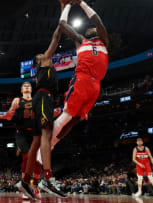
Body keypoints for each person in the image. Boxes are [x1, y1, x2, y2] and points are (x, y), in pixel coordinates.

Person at [14, 3, 66, 199]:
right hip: (44, 98)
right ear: (40, 61)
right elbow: (57, 34)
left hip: (41, 99)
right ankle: (48, 178)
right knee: (46, 134)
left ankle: (25, 181)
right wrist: (63, 9)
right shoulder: (45, 60)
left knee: (36, 141)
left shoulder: (44, 69)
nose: (47, 54)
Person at [51, 0, 109, 150]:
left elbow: (98, 22)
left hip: (96, 85)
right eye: (89, 29)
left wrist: (82, 3)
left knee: (74, 120)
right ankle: (46, 146)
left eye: (93, 28)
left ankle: (52, 145)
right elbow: (63, 24)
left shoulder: (104, 42)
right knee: (67, 116)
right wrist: (69, 5)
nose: (90, 29)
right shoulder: (80, 40)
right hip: (82, 79)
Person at [5, 82, 43, 199]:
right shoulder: (17, 100)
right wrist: (11, 111)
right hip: (21, 133)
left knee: (37, 160)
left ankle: (35, 186)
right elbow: (9, 117)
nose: (27, 86)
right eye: (24, 86)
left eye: (29, 86)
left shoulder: (37, 100)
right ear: (21, 90)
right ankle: (25, 186)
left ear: (31, 89)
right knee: (26, 157)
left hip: (35, 133)